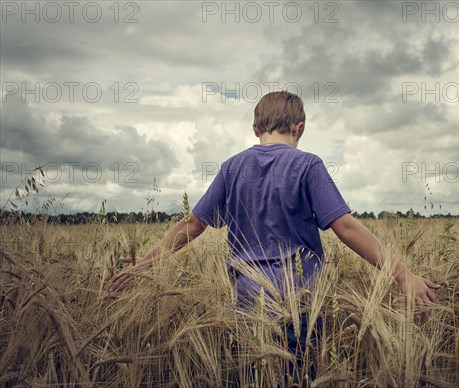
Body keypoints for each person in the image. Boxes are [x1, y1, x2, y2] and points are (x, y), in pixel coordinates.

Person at [109, 90, 440, 381]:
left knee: (256, 376)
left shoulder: (231, 167)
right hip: (303, 301)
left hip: (247, 301)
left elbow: (191, 226)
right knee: (300, 376)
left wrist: (144, 265)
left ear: (255, 130)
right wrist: (402, 273)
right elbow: (346, 227)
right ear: (300, 129)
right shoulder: (308, 166)